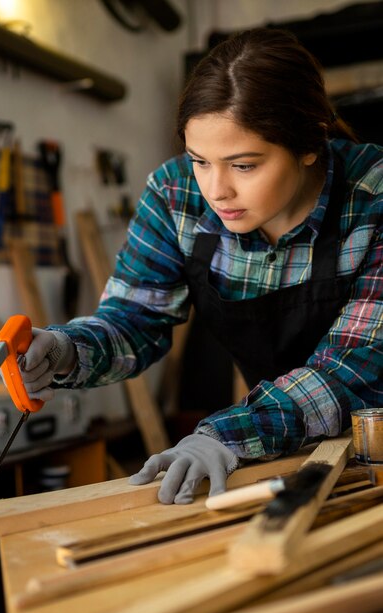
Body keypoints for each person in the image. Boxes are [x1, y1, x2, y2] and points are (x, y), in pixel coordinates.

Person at [19, 28, 383, 504]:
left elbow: (352, 367)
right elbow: (135, 319)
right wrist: (67, 349)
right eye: (199, 161)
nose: (216, 190)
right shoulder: (175, 194)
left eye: (244, 165)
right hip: (284, 442)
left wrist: (225, 434)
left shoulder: (373, 195)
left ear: (310, 143)